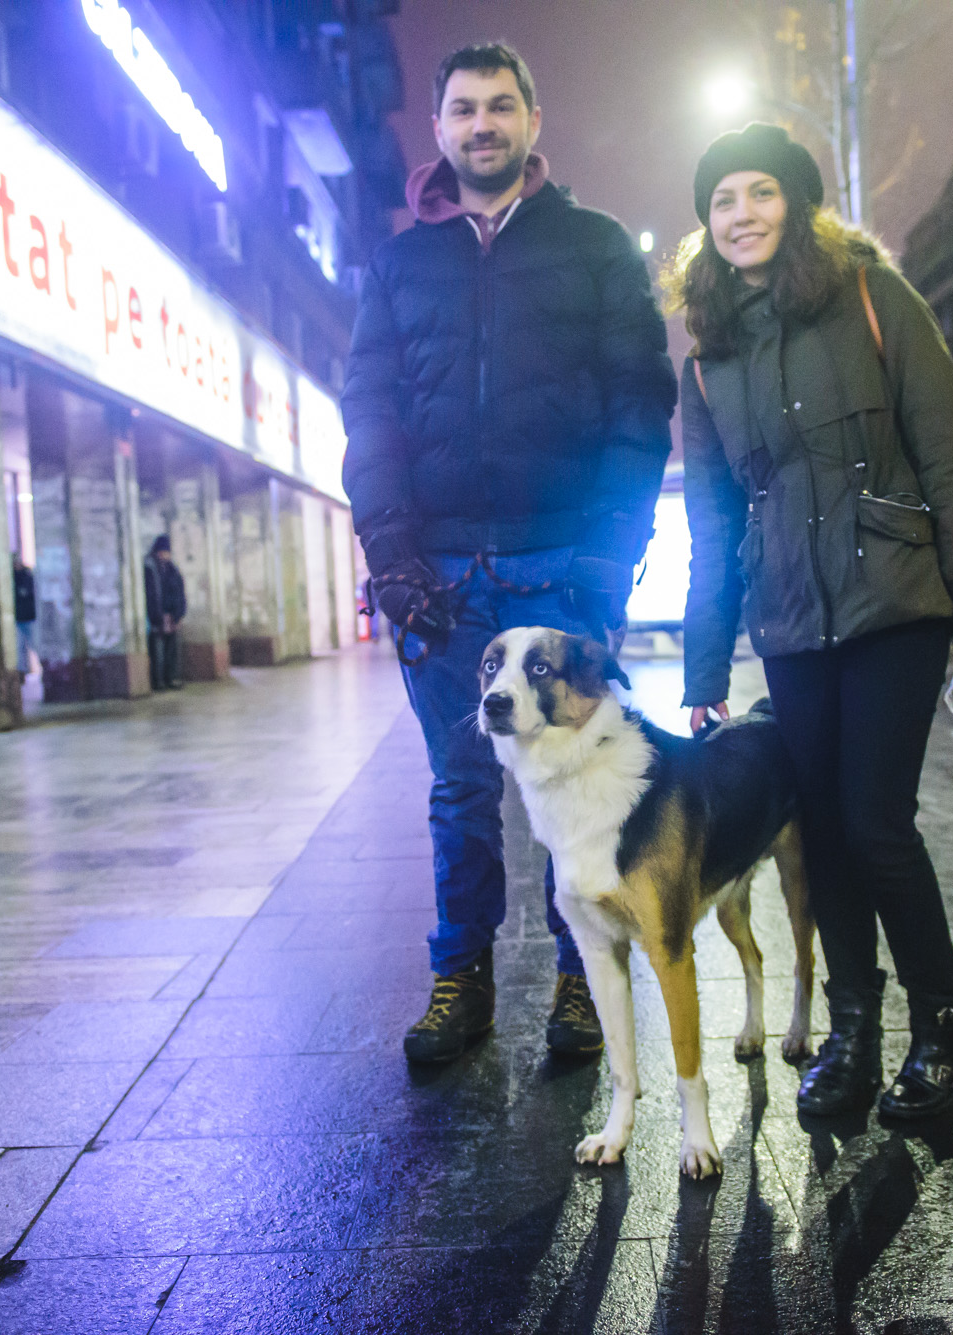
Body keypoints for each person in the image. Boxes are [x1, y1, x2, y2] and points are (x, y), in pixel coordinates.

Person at [341, 43, 676, 1065]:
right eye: (460, 110)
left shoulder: (594, 248)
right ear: (437, 131)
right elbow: (372, 414)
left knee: (572, 790)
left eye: (498, 107)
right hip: (440, 578)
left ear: (532, 122)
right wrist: (393, 555)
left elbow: (638, 404)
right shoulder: (399, 264)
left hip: (556, 568)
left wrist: (607, 558)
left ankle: (582, 985)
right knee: (458, 790)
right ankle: (460, 983)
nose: (479, 124)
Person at [675, 123, 953, 1120]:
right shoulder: (705, 358)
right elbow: (712, 518)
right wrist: (701, 667)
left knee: (873, 819)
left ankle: (939, 1022)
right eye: (722, 200)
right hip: (787, 616)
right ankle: (852, 1032)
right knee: (817, 828)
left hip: (893, 597)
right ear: (706, 224)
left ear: (798, 205)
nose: (742, 215)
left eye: (761, 193)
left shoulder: (869, 294)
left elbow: (944, 442)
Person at [142, 534, 185, 691]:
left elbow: (180, 592)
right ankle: (158, 681)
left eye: (167, 552)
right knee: (157, 651)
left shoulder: (172, 569)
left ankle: (171, 678)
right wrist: (156, 617)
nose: (165, 555)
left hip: (172, 616)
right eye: (163, 551)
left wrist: (178, 614)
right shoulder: (149, 568)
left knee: (171, 650)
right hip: (156, 617)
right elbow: (150, 594)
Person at [12, 557, 38, 676]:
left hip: (29, 618)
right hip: (18, 619)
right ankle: (22, 671)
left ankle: (33, 667)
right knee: (20, 647)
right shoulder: (12, 579)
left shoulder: (28, 577)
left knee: (34, 644)